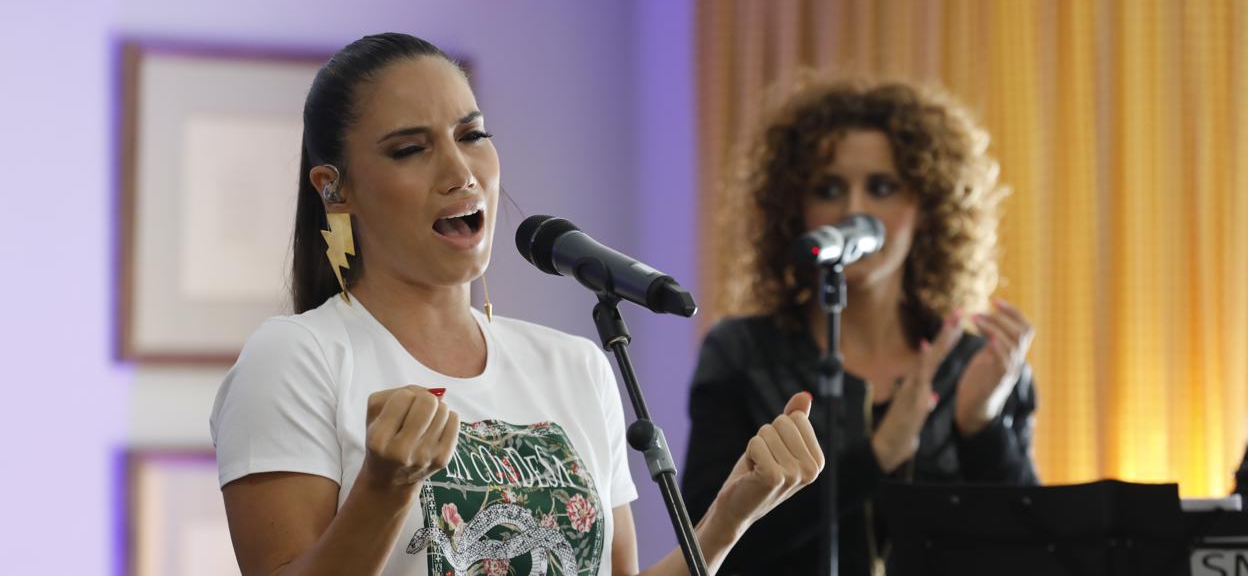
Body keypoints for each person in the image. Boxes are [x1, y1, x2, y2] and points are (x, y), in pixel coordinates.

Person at [210, 33, 824, 576]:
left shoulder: (577, 366)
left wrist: (727, 518)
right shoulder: (298, 358)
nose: (460, 171)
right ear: (334, 187)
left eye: (472, 135)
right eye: (409, 150)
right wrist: (384, 487)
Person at [682, 79, 1040, 575]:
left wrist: (980, 426)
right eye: (829, 189)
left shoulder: (978, 365)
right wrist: (876, 456)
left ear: (926, 207)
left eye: (882, 187)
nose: (855, 210)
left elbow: (1034, 550)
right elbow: (703, 544)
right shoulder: (742, 352)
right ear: (797, 210)